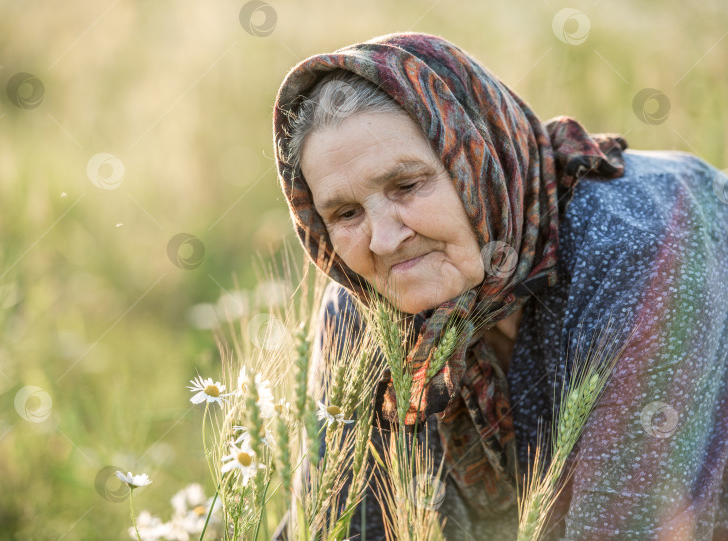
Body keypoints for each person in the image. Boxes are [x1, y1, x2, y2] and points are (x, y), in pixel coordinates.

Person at [271, 31, 728, 540]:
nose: (382, 239)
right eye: (346, 213)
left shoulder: (636, 247)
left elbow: (626, 525)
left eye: (406, 185)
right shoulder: (363, 308)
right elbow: (342, 527)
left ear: (480, 160)